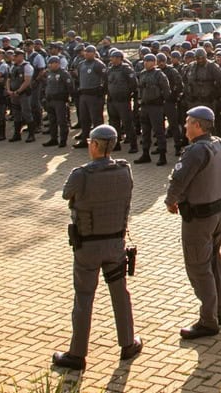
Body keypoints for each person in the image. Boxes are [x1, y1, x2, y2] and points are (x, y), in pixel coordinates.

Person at [52, 124, 141, 371]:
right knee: (120, 294)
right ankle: (128, 343)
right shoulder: (124, 170)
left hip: (88, 247)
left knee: (84, 297)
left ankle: (77, 354)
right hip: (115, 244)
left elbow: (66, 194)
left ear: (93, 145)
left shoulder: (81, 174)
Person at [165, 106, 221, 340]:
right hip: (217, 213)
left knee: (199, 268)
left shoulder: (196, 151)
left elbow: (179, 180)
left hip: (199, 218)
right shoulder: (218, 144)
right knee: (213, 262)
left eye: (188, 122)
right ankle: (218, 311)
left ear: (198, 126)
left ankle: (208, 320)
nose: (185, 126)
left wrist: (170, 201)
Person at [135, 54, 171, 165]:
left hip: (156, 107)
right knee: (145, 132)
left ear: (154, 62)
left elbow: (166, 90)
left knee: (159, 131)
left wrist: (161, 101)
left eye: (149, 61)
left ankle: (162, 155)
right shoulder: (142, 74)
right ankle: (145, 154)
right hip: (145, 106)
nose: (146, 63)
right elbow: (140, 89)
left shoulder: (159, 74)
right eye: (145, 61)